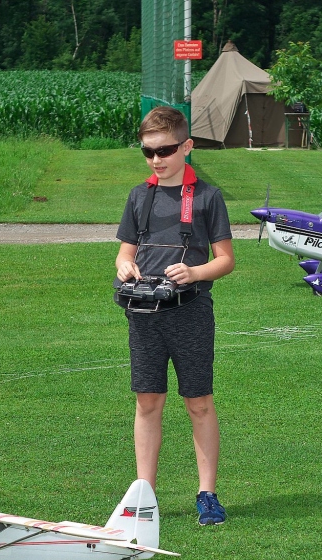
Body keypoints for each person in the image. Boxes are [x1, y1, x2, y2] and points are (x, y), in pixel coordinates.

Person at [114, 106, 235, 526]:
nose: (156, 160)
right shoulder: (138, 196)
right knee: (147, 401)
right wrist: (124, 267)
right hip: (143, 312)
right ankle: (144, 495)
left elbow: (226, 260)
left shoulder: (207, 197)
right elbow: (124, 252)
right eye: (148, 152)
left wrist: (195, 273)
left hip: (191, 312)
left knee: (198, 402)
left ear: (187, 147)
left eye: (164, 150)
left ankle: (207, 494)